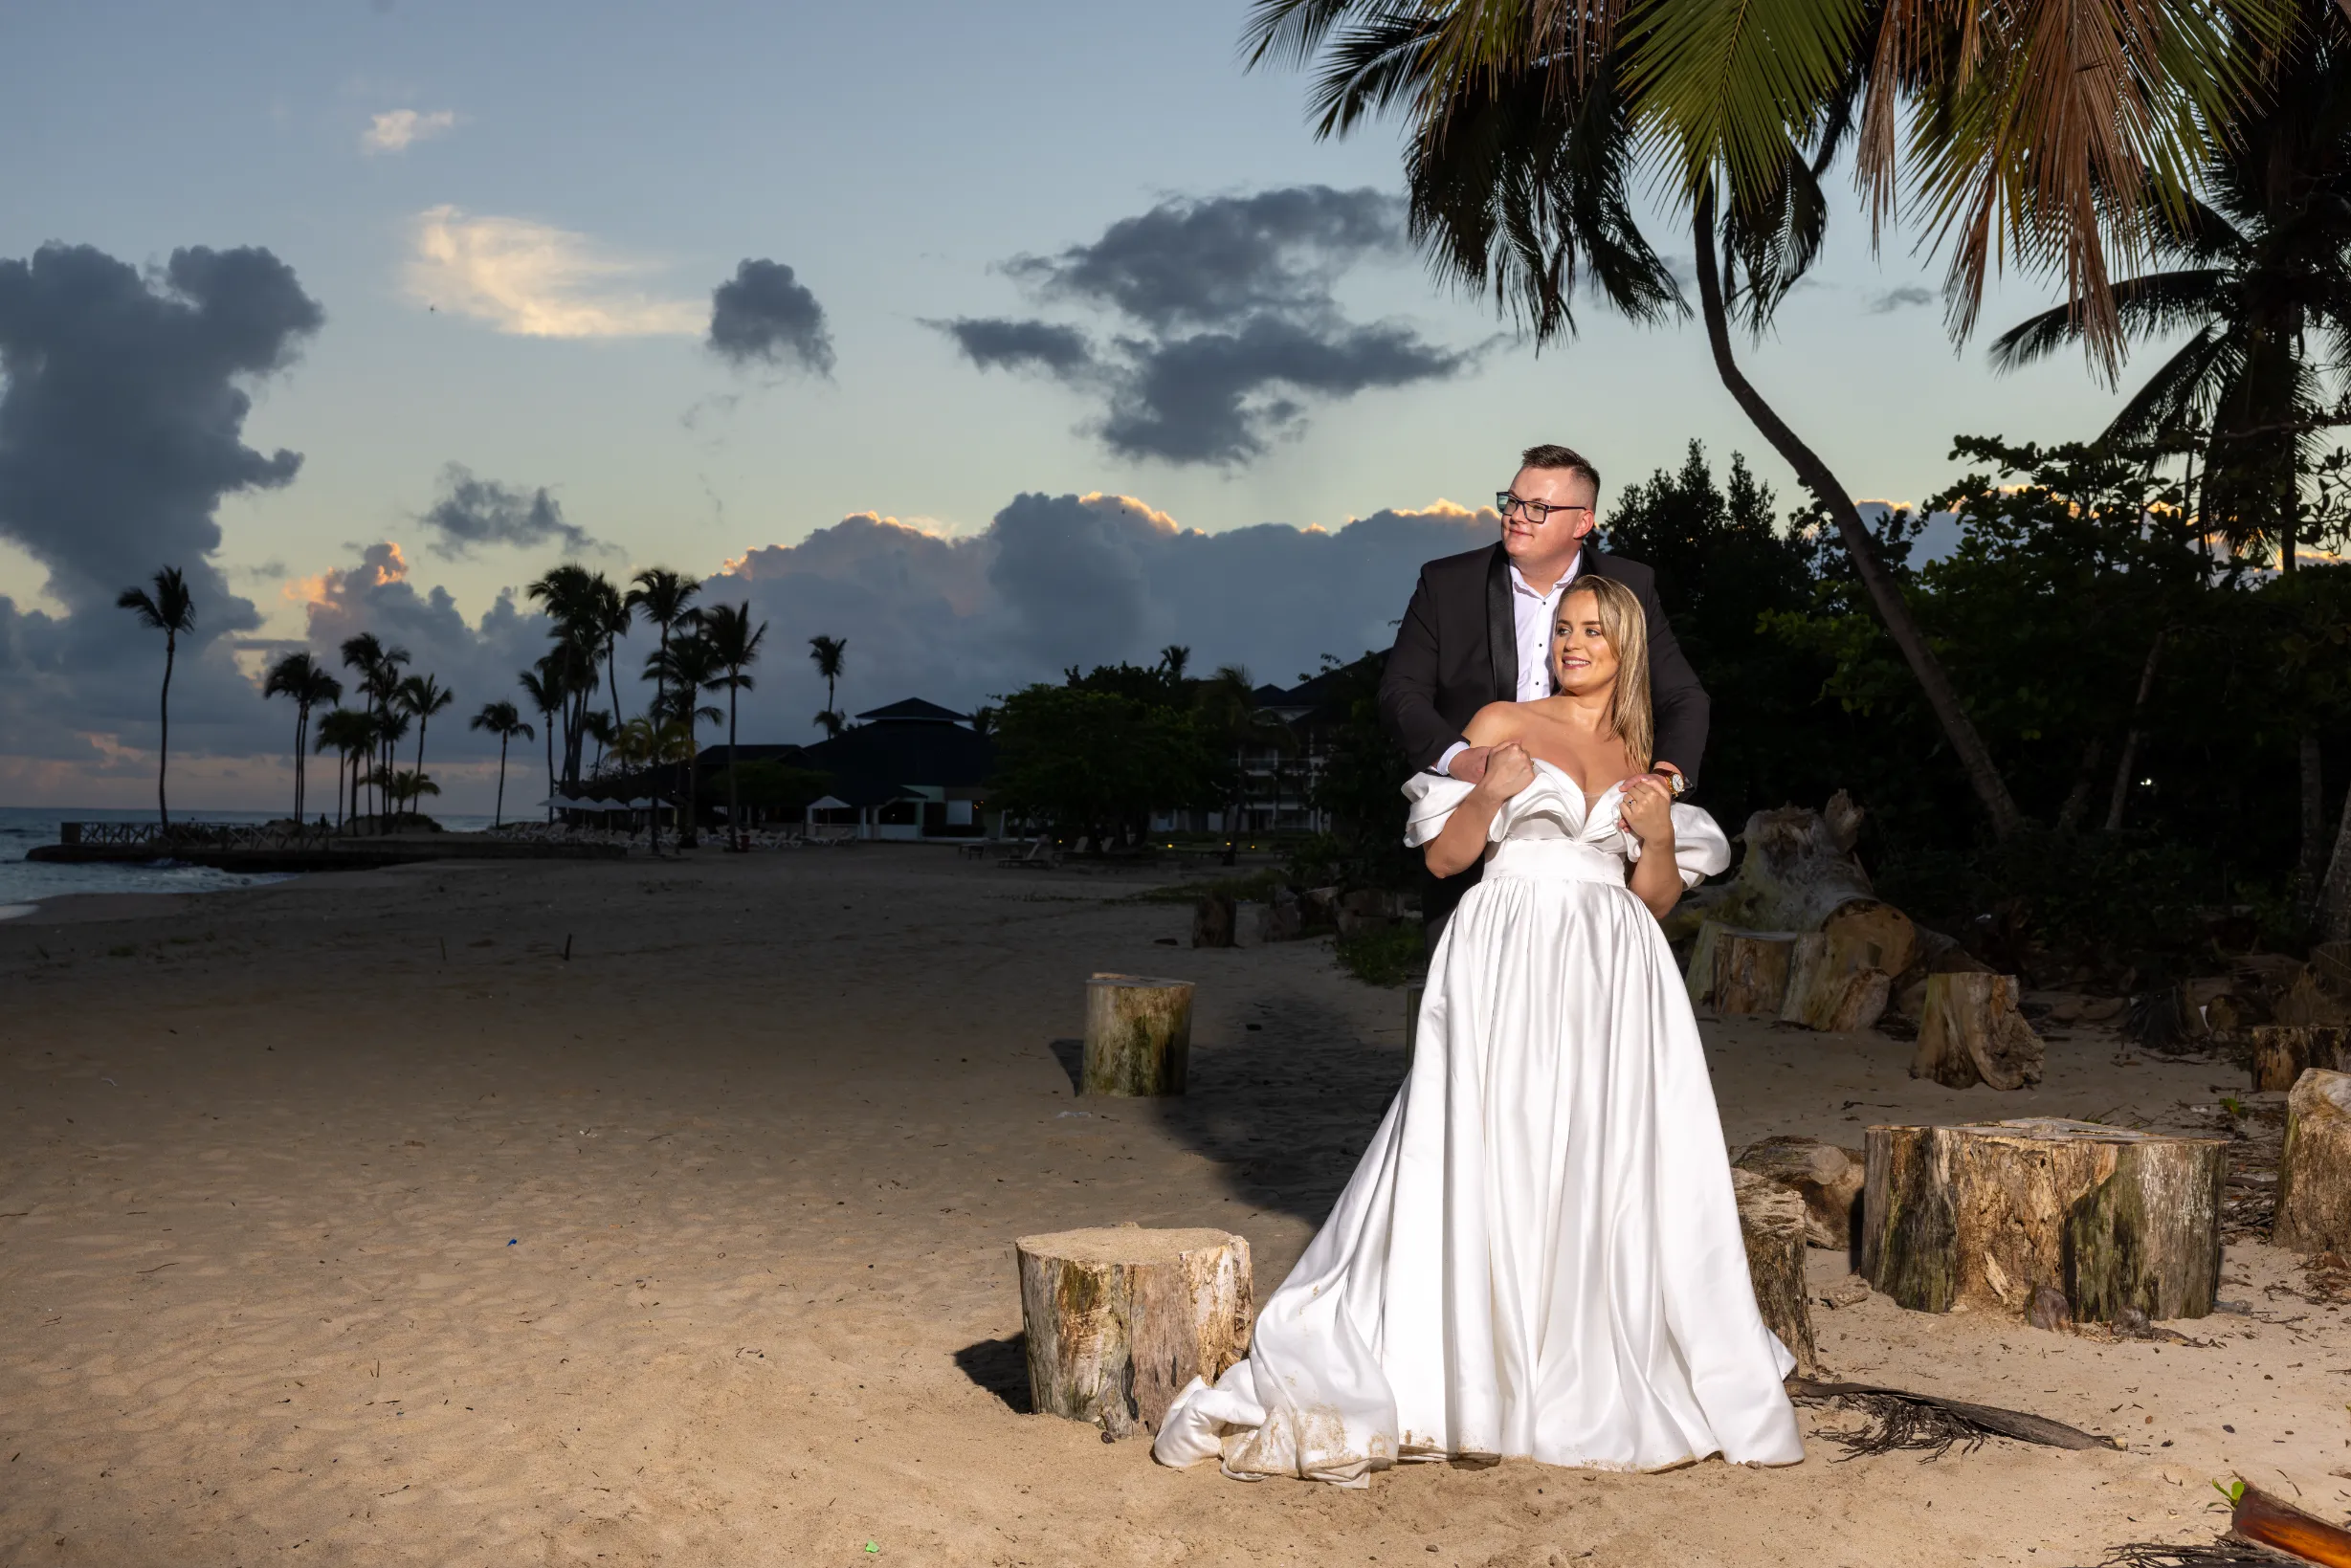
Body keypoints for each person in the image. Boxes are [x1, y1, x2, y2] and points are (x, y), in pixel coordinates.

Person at [1153, 575, 1802, 1485]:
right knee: (1489, 1137)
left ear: (1626, 649)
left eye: (1592, 633)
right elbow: (1445, 857)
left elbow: (1651, 900)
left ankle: (1580, 1362)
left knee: (1598, 1151)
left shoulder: (1639, 758)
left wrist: (1654, 832)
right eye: (1563, 629)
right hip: (1504, 947)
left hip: (1615, 967)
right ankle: (1475, 1373)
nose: (1570, 643)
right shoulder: (1503, 722)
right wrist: (1489, 793)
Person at [1379, 443, 1708, 939]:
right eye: (1511, 501)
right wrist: (1461, 760)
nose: (1516, 516)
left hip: (1592, 876)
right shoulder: (1449, 583)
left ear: (1582, 523)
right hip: (1475, 833)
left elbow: (1685, 697)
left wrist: (1665, 780)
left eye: (1538, 507)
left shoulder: (1629, 586)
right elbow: (1400, 692)